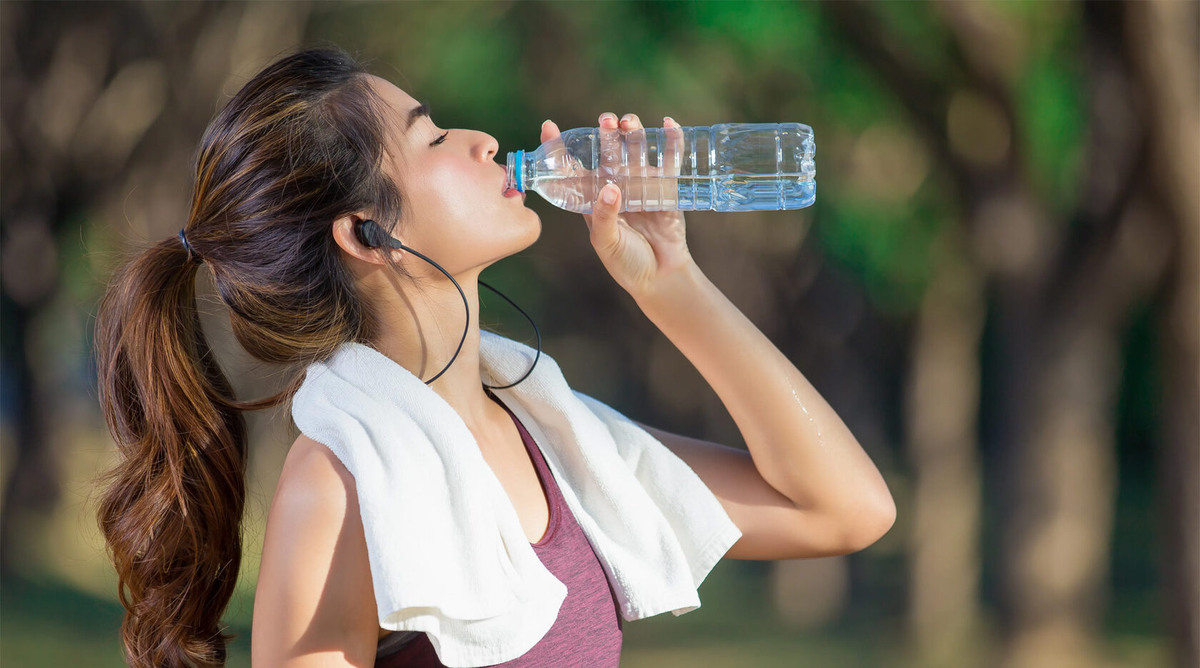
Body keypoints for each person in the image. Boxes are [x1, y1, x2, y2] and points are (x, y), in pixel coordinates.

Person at [93, 47, 895, 668]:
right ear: (367, 233)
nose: (483, 140)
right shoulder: (340, 482)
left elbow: (844, 509)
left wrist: (671, 282)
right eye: (434, 137)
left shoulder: (555, 440)